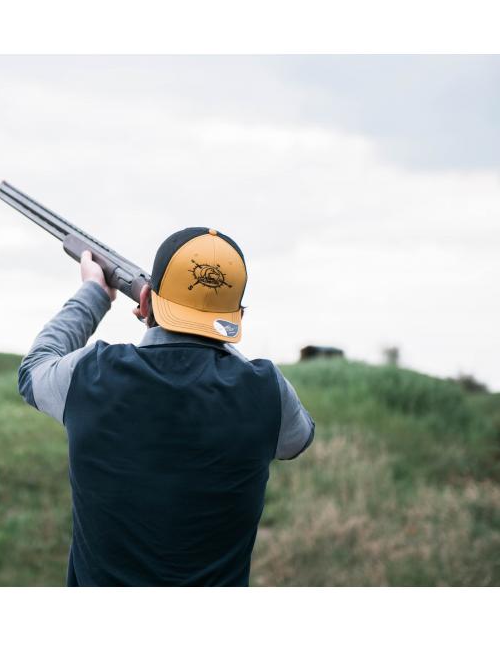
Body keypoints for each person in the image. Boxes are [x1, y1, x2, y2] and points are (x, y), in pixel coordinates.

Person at [18, 227, 315, 586]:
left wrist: (94, 294)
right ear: (237, 318)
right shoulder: (268, 390)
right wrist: (215, 336)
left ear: (144, 302)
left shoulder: (92, 373)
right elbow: (298, 440)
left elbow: (33, 370)